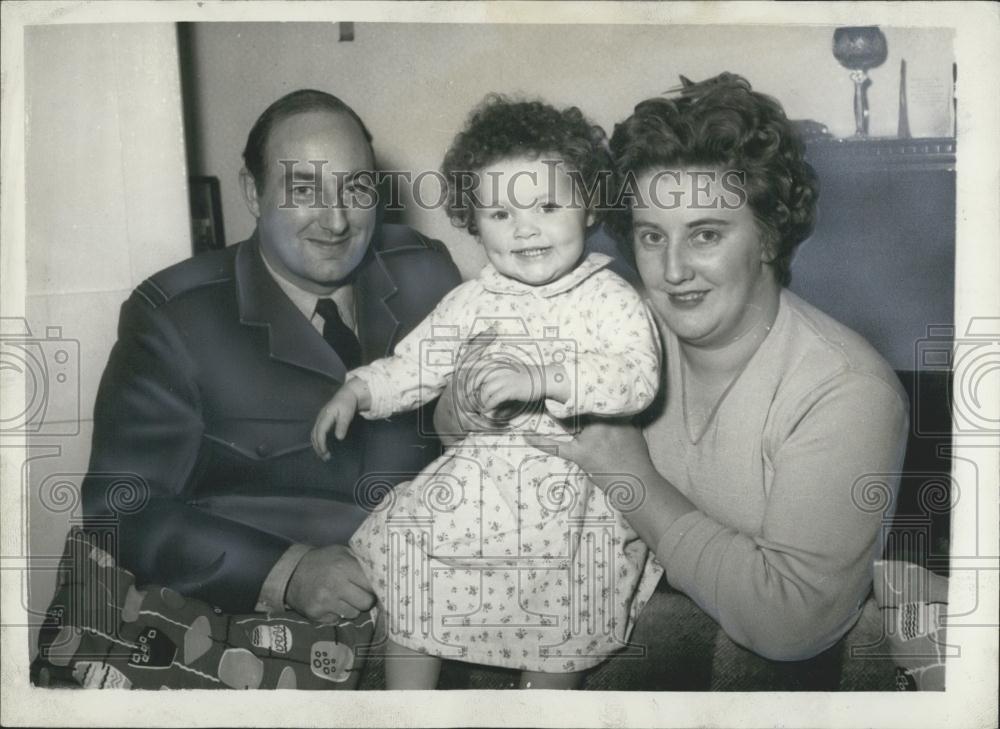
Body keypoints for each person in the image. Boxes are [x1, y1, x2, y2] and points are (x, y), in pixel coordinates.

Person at [436, 75, 910, 687]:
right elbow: (461, 432)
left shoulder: (847, 392)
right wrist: (467, 401)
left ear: (767, 237)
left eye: (706, 234)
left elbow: (790, 623)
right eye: (652, 236)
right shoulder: (608, 326)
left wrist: (629, 477)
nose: (674, 269)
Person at [37, 89, 462, 689]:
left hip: (422, 624)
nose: (337, 220)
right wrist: (286, 572)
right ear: (251, 192)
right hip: (251, 646)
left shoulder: (426, 270)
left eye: (356, 188)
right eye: (304, 189)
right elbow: (121, 507)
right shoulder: (175, 317)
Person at [312, 96, 663, 689]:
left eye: (548, 205)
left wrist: (545, 379)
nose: (526, 228)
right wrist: (359, 390)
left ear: (589, 205)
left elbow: (636, 378)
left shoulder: (610, 297)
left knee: (561, 621)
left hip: (569, 500)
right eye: (500, 214)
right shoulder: (475, 298)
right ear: (474, 223)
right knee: (417, 576)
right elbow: (417, 362)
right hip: (481, 491)